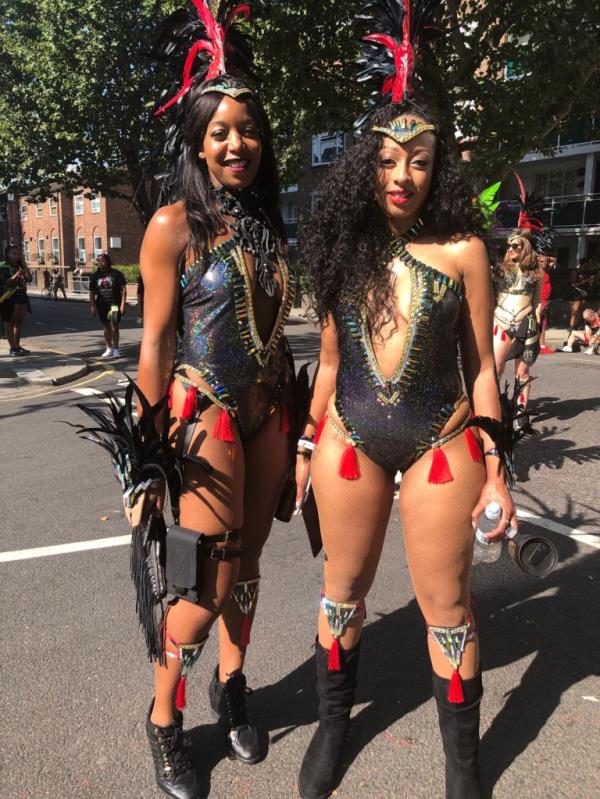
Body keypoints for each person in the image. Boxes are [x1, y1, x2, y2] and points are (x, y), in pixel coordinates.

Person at [295, 4, 516, 799]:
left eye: (419, 160)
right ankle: (332, 722)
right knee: (341, 592)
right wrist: (304, 445)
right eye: (388, 159)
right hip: (351, 436)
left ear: (439, 168)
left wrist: (497, 467)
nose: (402, 175)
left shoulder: (465, 253)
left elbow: (482, 367)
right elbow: (326, 363)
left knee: (449, 604)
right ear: (366, 166)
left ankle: (463, 761)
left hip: (441, 441)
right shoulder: (340, 252)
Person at [136, 3, 295, 797]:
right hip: (204, 417)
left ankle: (234, 685)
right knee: (205, 587)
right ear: (198, 140)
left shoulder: (269, 224)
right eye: (221, 131)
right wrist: (142, 462)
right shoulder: (171, 226)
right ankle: (165, 717)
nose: (238, 144)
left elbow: (277, 331)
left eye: (249, 130)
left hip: (269, 414)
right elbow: (157, 345)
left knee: (254, 566)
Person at [493, 229, 542, 412]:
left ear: (525, 247)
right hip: (501, 321)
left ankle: (520, 412)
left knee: (522, 372)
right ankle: (493, 406)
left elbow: (537, 301)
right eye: (509, 246)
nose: (511, 249)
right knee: (496, 367)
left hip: (525, 325)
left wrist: (536, 320)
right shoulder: (501, 268)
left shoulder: (537, 271)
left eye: (516, 246)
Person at [89, 252, 127, 357]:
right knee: (106, 327)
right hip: (101, 305)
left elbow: (123, 289)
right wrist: (92, 306)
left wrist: (123, 304)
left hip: (114, 304)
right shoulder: (95, 276)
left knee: (114, 326)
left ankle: (116, 349)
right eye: (98, 262)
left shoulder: (116, 274)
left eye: (102, 261)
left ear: (107, 262)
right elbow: (92, 292)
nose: (100, 263)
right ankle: (109, 348)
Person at [0, 245, 32, 356]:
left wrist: (25, 268)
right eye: (13, 253)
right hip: (8, 297)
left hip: (21, 296)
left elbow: (29, 279)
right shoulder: (3, 266)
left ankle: (17, 346)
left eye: (17, 253)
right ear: (7, 255)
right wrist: (17, 275)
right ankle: (12, 348)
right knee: (10, 322)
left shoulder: (20, 266)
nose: (16, 256)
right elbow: (6, 282)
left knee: (19, 322)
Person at [565, 257, 594, 338]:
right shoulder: (576, 272)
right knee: (575, 310)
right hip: (577, 292)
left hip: (584, 293)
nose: (585, 267)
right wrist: (583, 281)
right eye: (584, 266)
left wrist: (590, 282)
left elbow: (589, 285)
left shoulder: (587, 273)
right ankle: (571, 326)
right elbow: (572, 284)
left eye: (587, 266)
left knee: (580, 310)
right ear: (581, 265)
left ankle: (575, 325)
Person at [538, 254, 556, 354]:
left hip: (546, 299)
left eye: (545, 261)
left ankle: (542, 345)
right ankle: (540, 345)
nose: (545, 263)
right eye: (542, 262)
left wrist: (546, 258)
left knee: (543, 323)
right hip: (540, 300)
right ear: (538, 262)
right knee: (540, 323)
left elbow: (554, 259)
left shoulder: (546, 269)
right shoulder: (537, 271)